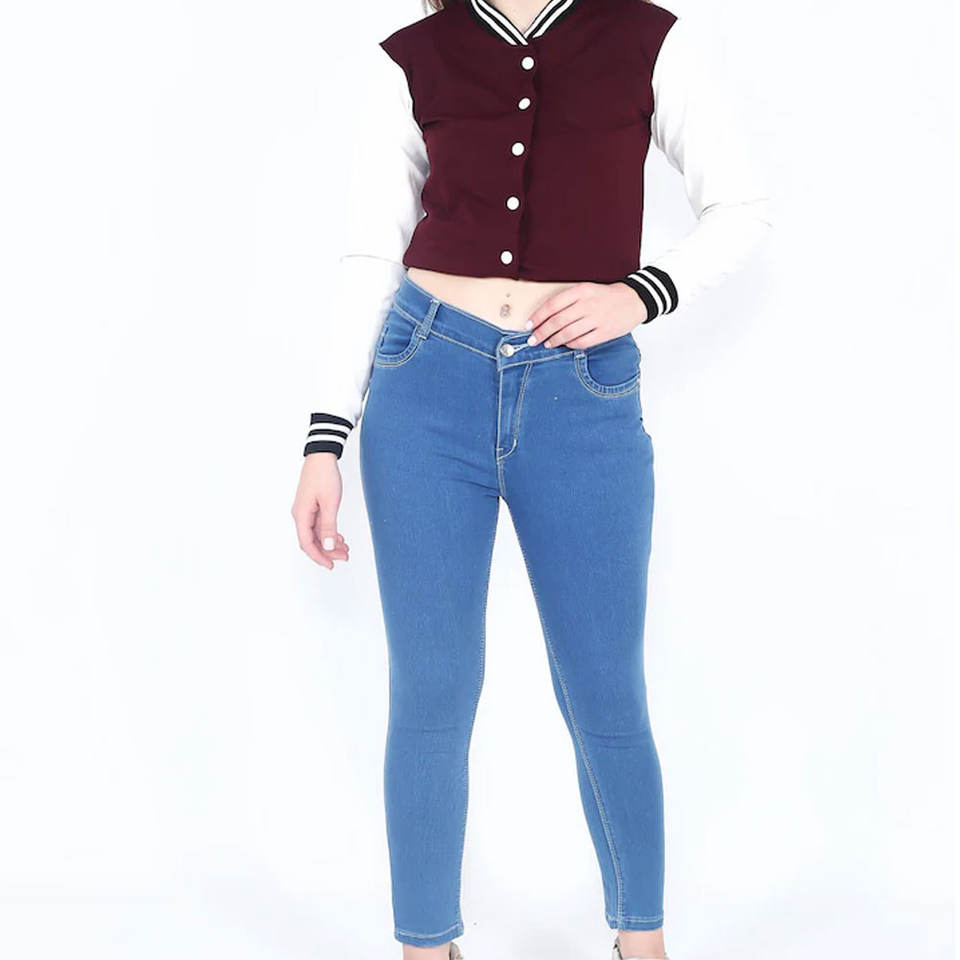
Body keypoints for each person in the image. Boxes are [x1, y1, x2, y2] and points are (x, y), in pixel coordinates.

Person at [291, 1, 772, 957]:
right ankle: (427, 948)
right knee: (431, 692)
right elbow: (370, 251)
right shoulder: (414, 56)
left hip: (582, 396)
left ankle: (641, 944)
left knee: (605, 690)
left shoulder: (646, 38)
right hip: (423, 386)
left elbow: (742, 205)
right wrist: (325, 438)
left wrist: (639, 295)